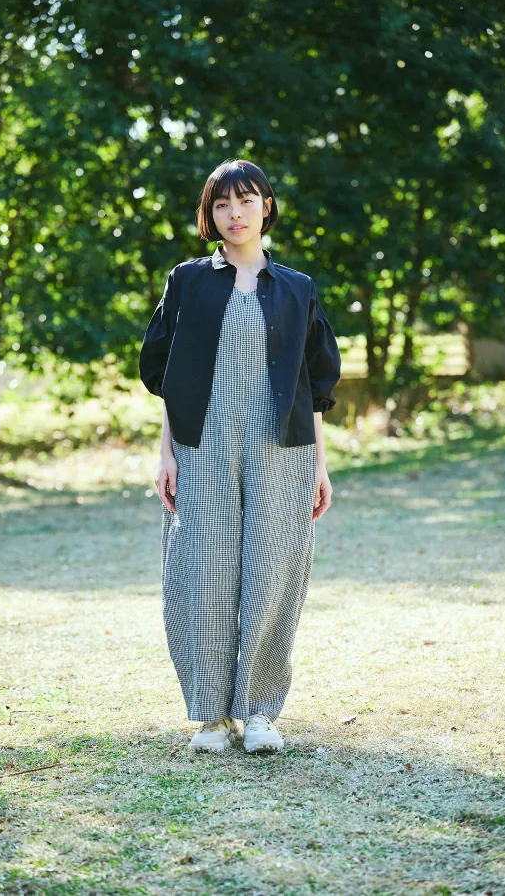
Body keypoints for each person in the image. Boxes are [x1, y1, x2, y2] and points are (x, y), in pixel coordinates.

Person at [139, 158, 341, 755]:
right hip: (202, 447)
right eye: (222, 203)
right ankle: (209, 717)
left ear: (266, 207)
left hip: (283, 451)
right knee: (202, 571)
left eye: (246, 200)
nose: (235, 213)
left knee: (272, 573)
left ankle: (259, 713)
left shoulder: (297, 288)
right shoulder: (188, 282)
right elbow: (167, 376)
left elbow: (315, 385)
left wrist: (320, 465)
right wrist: (165, 453)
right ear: (210, 213)